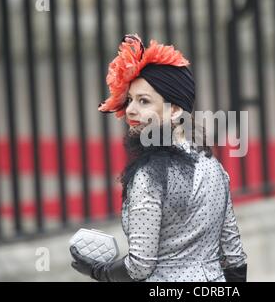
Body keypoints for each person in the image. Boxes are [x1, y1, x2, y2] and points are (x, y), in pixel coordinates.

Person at [69, 34, 247, 282]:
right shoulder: (214, 166)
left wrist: (98, 271)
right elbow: (234, 257)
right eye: (130, 100)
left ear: (174, 110)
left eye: (144, 101)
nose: (130, 110)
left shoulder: (149, 175)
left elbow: (140, 266)